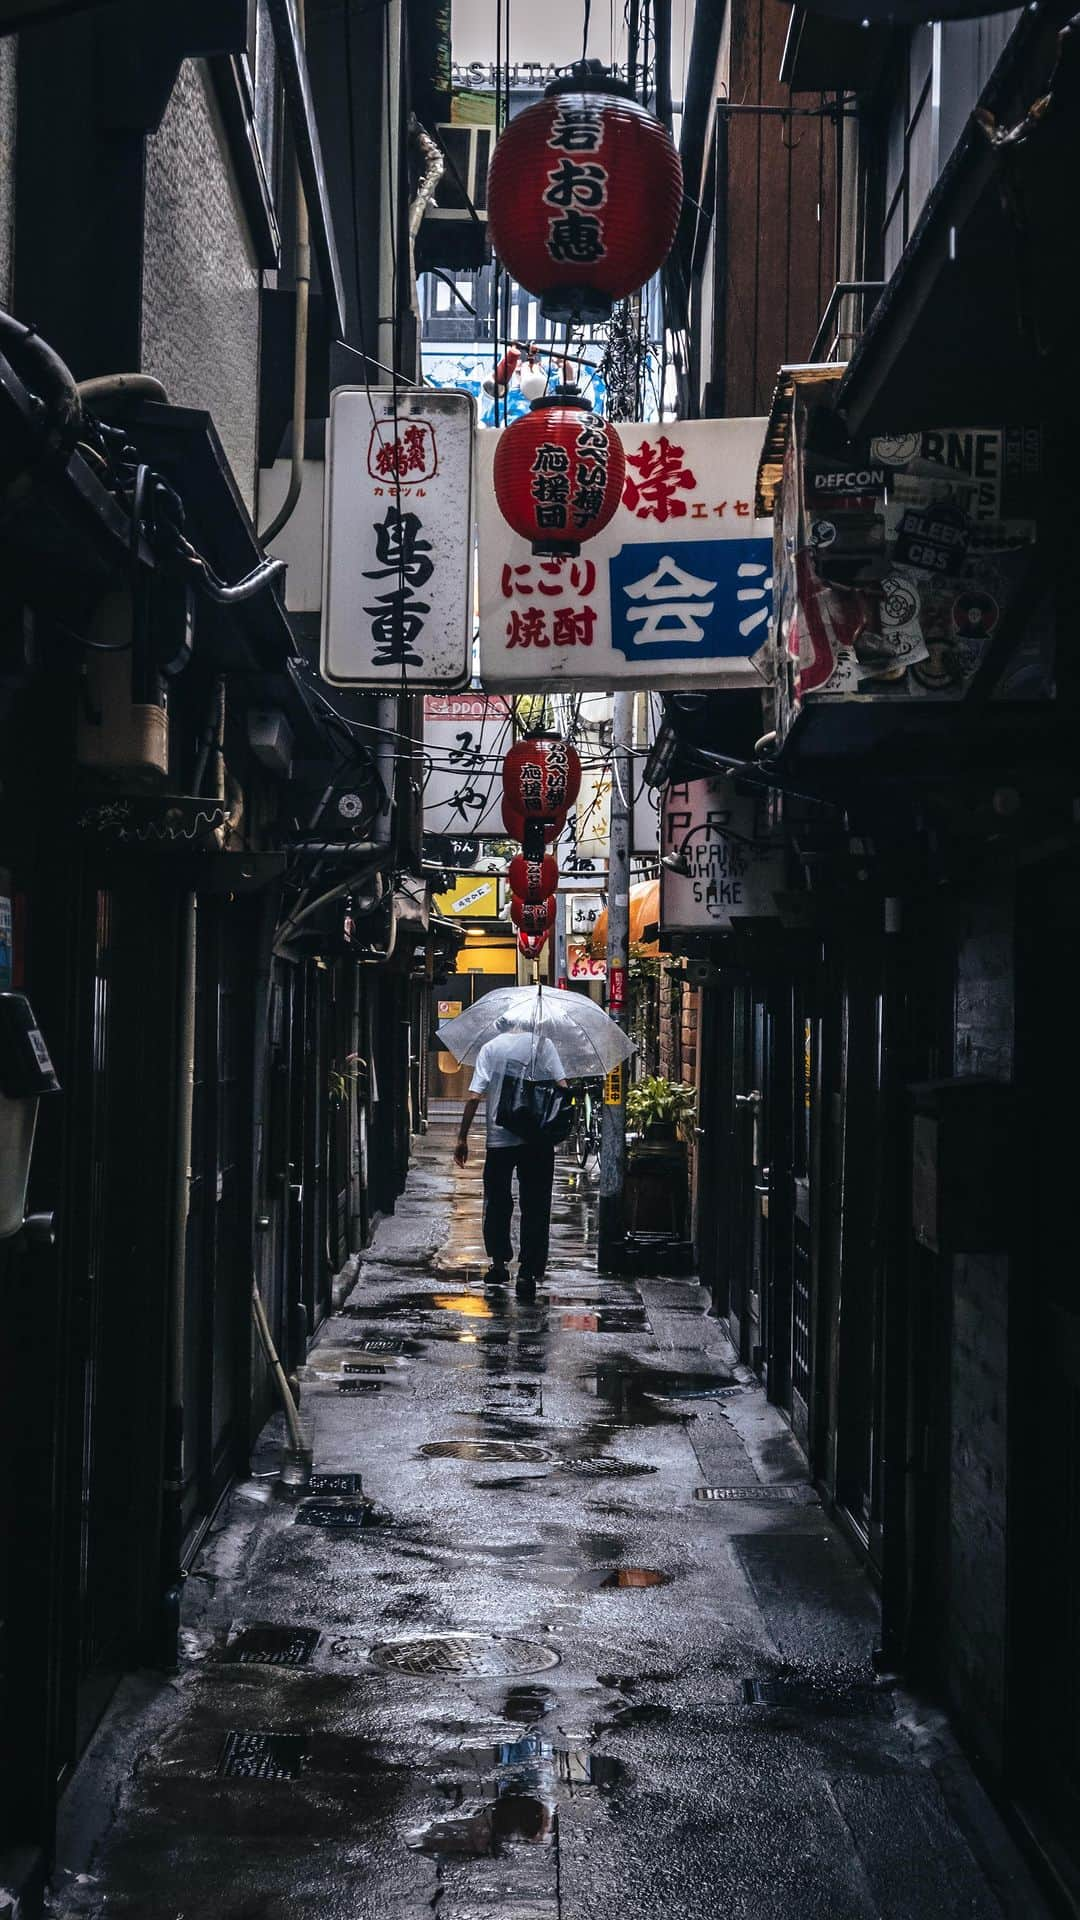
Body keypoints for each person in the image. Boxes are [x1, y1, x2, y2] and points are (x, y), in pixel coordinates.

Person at [453, 1022, 566, 1289]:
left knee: (497, 1201)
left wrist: (462, 1137)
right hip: (537, 1138)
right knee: (536, 1203)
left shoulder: (491, 1048)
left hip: (500, 1137)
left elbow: (474, 1096)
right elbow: (562, 1085)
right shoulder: (543, 1045)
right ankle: (528, 1270)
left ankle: (499, 1263)